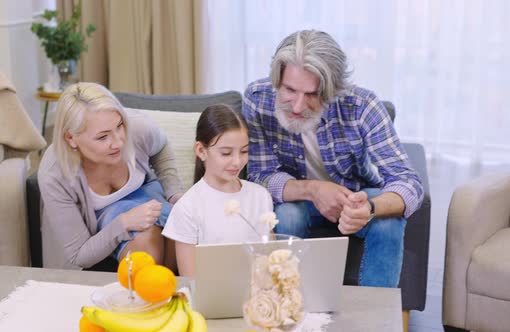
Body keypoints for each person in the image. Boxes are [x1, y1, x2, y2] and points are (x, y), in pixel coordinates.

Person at [242, 30, 424, 287]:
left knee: (389, 224)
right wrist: (314, 190)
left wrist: (369, 208)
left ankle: (374, 320)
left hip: (355, 197)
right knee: (287, 215)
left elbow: (408, 181)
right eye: (290, 90)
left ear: (332, 91)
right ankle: (284, 307)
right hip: (299, 200)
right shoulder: (258, 100)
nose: (296, 106)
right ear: (277, 81)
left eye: (312, 95)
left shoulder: (362, 106)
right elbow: (260, 176)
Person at [38, 82, 184, 270]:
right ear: (71, 138)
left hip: (147, 193)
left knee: (181, 229)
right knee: (146, 238)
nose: (118, 143)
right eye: (102, 137)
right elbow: (79, 255)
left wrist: (174, 192)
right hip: (107, 218)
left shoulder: (138, 128)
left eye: (119, 126)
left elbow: (161, 147)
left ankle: (177, 293)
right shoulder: (55, 173)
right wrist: (124, 223)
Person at [162, 104, 274, 277]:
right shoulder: (188, 207)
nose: (237, 162)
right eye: (226, 153)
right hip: (213, 299)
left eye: (244, 151)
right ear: (201, 151)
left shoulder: (260, 196)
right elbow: (191, 280)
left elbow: (271, 260)